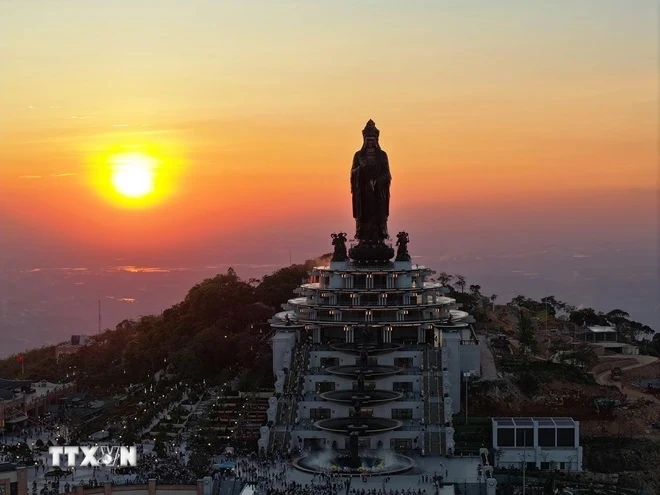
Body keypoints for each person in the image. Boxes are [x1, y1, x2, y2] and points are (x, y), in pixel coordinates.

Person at [351, 120, 391, 242]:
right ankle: (363, 236)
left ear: (376, 140)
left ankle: (379, 235)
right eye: (367, 140)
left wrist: (378, 181)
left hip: (378, 192)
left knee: (378, 213)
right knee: (365, 213)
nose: (370, 142)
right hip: (363, 191)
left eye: (372, 140)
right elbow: (353, 171)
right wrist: (360, 169)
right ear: (364, 140)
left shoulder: (382, 155)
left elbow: (387, 173)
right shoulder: (358, 155)